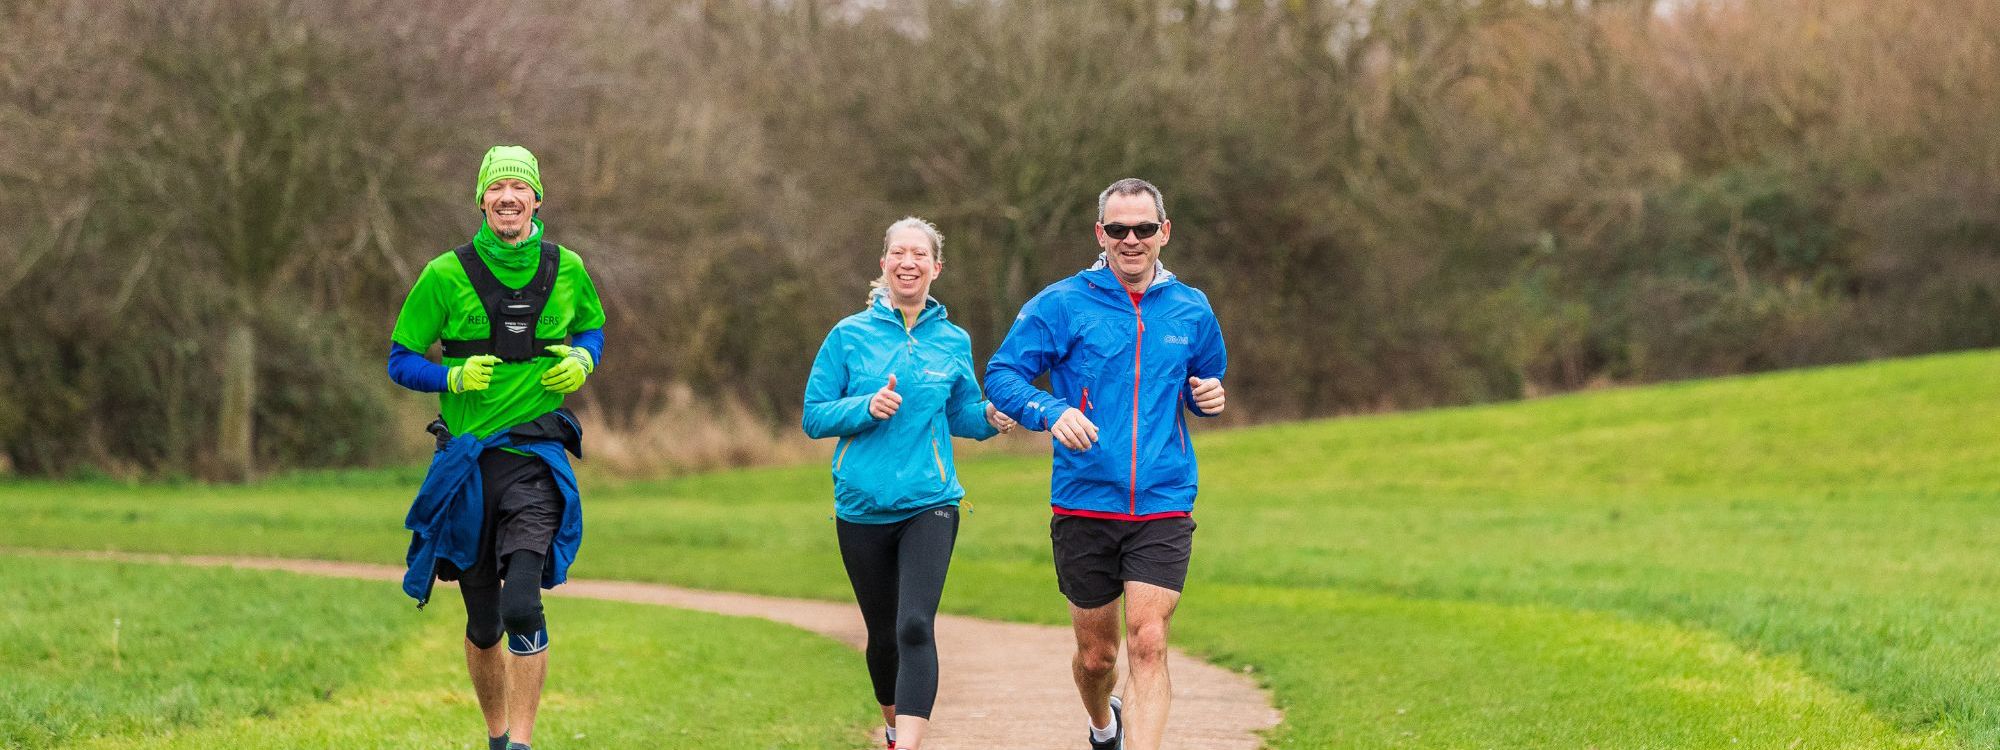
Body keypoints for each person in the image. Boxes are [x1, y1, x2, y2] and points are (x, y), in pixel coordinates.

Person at [983, 178, 1227, 750]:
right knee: (1097, 657)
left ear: (1165, 232)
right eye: (1118, 229)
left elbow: (1203, 380)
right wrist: (1050, 410)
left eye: (1144, 228)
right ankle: (1102, 725)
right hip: (1084, 500)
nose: (1131, 239)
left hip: (1164, 499)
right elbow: (1002, 374)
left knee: (1149, 641)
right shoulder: (1062, 303)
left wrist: (1207, 397)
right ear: (1100, 234)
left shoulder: (1192, 308)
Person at [386, 145, 605, 750]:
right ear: (481, 200)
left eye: (519, 187)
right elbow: (400, 360)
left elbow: (592, 326)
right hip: (467, 466)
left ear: (537, 198)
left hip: (534, 460)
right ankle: (498, 737)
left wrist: (584, 359)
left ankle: (523, 746)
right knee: (484, 626)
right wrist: (451, 377)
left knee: (521, 608)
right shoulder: (443, 275)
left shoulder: (568, 268)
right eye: (497, 187)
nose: (508, 197)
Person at [802, 217, 1018, 750]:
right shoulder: (848, 335)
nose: (909, 262)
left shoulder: (953, 339)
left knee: (915, 625)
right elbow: (814, 415)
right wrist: (866, 407)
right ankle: (895, 728)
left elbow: (960, 413)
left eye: (920, 254)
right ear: (884, 264)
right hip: (862, 506)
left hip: (931, 502)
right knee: (883, 636)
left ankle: (911, 744)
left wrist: (990, 417)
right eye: (899, 252)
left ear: (936, 268)